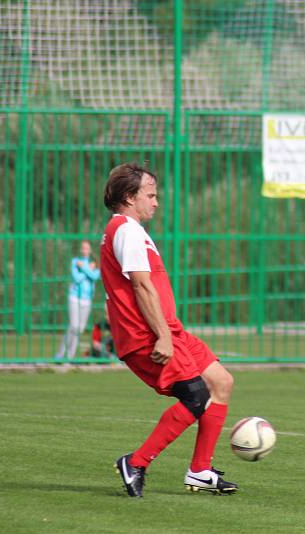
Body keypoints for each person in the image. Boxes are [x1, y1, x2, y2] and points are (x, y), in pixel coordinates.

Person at [101, 162, 236, 498]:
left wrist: (168, 330)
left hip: (170, 329)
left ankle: (201, 471)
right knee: (195, 396)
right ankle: (136, 462)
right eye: (151, 195)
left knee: (221, 382)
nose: (156, 202)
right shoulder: (127, 230)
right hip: (148, 334)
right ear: (130, 197)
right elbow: (142, 288)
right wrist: (162, 335)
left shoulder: (128, 229)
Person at [54, 240, 100, 360]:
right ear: (81, 250)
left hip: (87, 299)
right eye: (83, 248)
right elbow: (77, 278)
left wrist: (84, 268)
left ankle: (70, 356)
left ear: (90, 250)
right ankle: (60, 353)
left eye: (87, 248)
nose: (85, 250)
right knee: (74, 326)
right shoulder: (75, 262)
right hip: (75, 297)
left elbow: (95, 276)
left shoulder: (94, 263)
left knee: (79, 329)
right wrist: (88, 269)